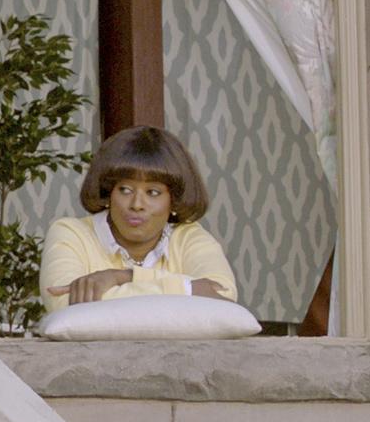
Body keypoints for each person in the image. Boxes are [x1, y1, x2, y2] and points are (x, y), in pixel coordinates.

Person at [40, 125, 238, 312]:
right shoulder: (71, 233)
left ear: (174, 200)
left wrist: (123, 277)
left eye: (153, 192)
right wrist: (188, 289)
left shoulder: (189, 237)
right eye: (125, 189)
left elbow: (223, 297)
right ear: (109, 192)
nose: (136, 204)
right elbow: (64, 303)